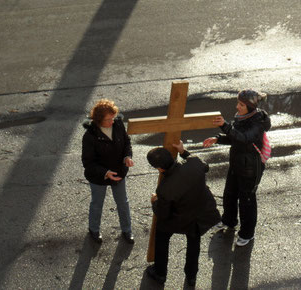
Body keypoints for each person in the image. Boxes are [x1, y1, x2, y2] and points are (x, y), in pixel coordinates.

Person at [145, 141, 221, 287]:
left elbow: (163, 213)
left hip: (180, 218)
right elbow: (204, 166)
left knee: (161, 233)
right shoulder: (194, 164)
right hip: (201, 212)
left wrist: (154, 201)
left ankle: (160, 273)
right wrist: (183, 151)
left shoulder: (164, 189)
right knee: (194, 242)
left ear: (160, 169)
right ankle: (191, 276)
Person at [203, 89, 271, 247]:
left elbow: (244, 138)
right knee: (230, 194)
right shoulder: (243, 116)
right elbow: (235, 138)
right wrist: (217, 139)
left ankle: (247, 234)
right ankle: (229, 221)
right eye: (238, 103)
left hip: (250, 168)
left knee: (247, 201)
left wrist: (224, 126)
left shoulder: (257, 121)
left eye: (241, 104)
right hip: (237, 164)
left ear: (250, 107)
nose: (237, 106)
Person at [81, 99, 135, 244]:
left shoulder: (118, 124)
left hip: (118, 172)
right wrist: (105, 173)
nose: (112, 121)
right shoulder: (89, 136)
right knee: (97, 203)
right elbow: (88, 163)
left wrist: (127, 157)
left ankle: (127, 230)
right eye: (108, 119)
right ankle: (94, 230)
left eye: (113, 117)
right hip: (99, 176)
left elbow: (126, 143)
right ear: (98, 120)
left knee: (123, 202)